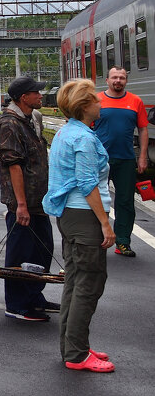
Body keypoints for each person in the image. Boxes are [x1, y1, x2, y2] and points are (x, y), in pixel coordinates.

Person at [42, 79, 115, 373]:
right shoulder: (83, 139)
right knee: (89, 284)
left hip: (69, 216)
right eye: (96, 100)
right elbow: (88, 184)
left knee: (75, 282)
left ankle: (74, 346)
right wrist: (105, 223)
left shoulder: (66, 132)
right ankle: (77, 354)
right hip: (85, 216)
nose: (100, 103)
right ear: (85, 106)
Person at [0, 75, 54, 322]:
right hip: (23, 203)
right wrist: (20, 205)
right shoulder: (10, 124)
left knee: (41, 251)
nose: (41, 95)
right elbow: (14, 167)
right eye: (36, 92)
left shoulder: (28, 120)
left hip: (38, 201)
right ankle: (17, 304)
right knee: (20, 255)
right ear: (23, 98)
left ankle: (34, 296)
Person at [93, 67, 149, 258]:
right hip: (100, 159)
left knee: (126, 202)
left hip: (125, 159)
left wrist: (142, 156)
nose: (118, 80)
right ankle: (94, 239)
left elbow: (142, 129)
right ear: (107, 80)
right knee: (95, 199)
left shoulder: (135, 101)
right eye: (115, 77)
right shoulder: (96, 100)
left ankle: (123, 242)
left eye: (122, 78)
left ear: (126, 81)